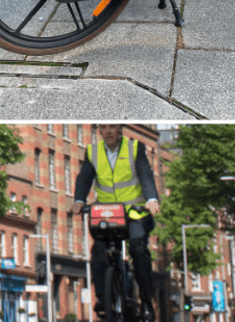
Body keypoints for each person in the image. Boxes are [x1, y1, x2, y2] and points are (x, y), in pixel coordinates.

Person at [69, 125, 161, 322]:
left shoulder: (135, 147)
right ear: (99, 131)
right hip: (108, 214)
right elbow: (84, 177)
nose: (108, 131)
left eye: (112, 127)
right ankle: (103, 298)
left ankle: (145, 301)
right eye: (104, 127)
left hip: (135, 211)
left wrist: (151, 198)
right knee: (98, 253)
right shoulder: (93, 152)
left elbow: (145, 174)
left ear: (119, 129)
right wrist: (79, 200)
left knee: (139, 250)